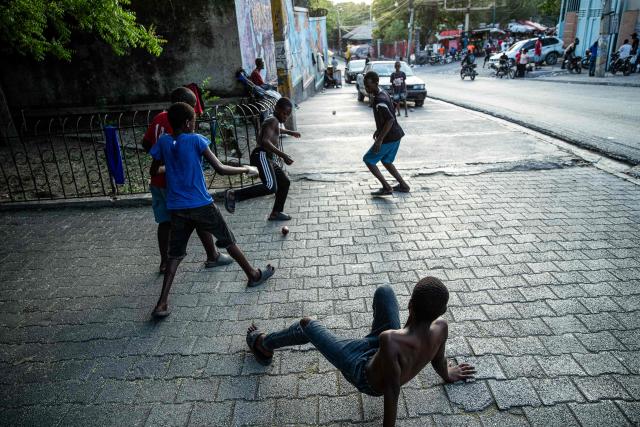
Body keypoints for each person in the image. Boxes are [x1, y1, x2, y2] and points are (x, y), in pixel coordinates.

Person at [246, 278, 476, 427]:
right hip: (382, 350)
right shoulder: (441, 327)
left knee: (307, 324)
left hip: (362, 372)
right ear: (441, 311)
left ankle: (263, 345)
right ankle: (265, 344)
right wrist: (447, 374)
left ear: (410, 306)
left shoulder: (391, 340)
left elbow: (392, 390)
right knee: (384, 291)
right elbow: (438, 360)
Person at [149, 103, 274, 318]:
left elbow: (155, 170)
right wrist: (246, 169)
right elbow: (221, 169)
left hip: (177, 208)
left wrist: (173, 166)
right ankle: (253, 274)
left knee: (174, 255)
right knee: (228, 240)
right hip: (201, 205)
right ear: (188, 122)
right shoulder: (196, 140)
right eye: (194, 120)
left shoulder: (163, 142)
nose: (195, 123)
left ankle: (161, 303)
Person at [141, 87, 232, 274]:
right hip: (176, 185)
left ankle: (164, 262)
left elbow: (146, 143)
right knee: (199, 217)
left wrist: (158, 156)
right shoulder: (179, 124)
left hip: (157, 182)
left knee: (164, 223)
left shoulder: (159, 118)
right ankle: (212, 255)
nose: (194, 115)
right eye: (191, 108)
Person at [225, 98, 300, 221]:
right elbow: (265, 141)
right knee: (270, 186)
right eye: (284, 113)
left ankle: (276, 212)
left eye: (287, 115)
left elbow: (275, 130)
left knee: (284, 182)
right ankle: (234, 194)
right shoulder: (272, 120)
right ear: (277, 109)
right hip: (261, 155)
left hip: (267, 157)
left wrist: (290, 132)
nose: (285, 117)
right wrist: (284, 155)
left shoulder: (274, 120)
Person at [361, 71, 410, 196]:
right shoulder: (383, 92)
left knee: (368, 159)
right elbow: (390, 112)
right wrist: (379, 129)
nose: (367, 89)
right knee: (387, 161)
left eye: (369, 86)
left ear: (376, 83)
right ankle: (403, 186)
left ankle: (387, 187)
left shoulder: (379, 100)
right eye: (365, 86)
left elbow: (390, 119)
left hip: (389, 137)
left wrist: (379, 140)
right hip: (396, 134)